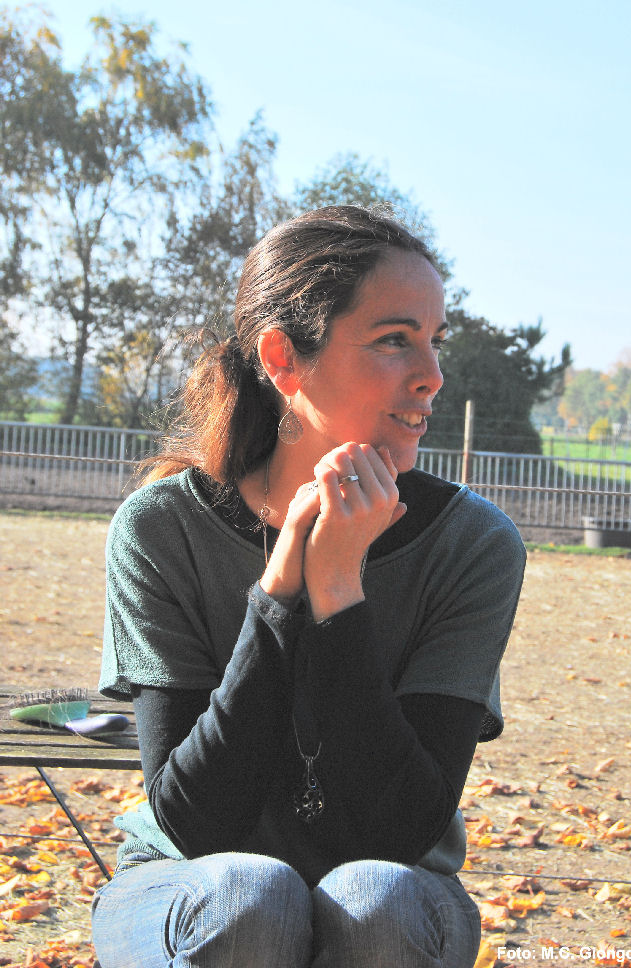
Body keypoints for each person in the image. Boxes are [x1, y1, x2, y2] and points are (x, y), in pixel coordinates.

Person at [91, 205, 526, 968]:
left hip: (400, 894)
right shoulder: (161, 529)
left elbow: (401, 830)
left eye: (435, 339)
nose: (432, 374)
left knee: (375, 904)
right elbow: (197, 822)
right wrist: (277, 596)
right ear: (283, 359)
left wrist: (337, 589)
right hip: (185, 888)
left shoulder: (473, 544)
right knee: (250, 901)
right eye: (394, 339)